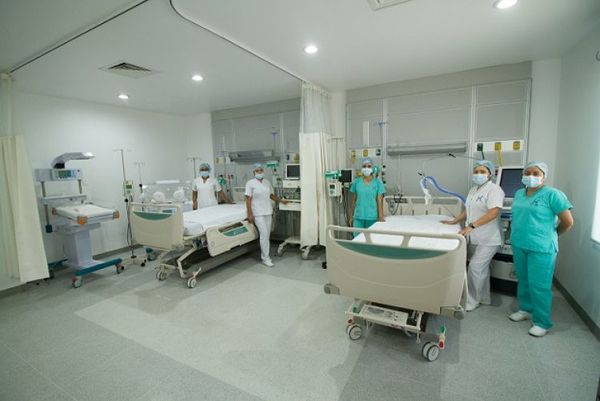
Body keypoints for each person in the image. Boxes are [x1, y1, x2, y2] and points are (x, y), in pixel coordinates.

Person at [507, 161, 573, 337]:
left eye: (536, 173)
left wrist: (552, 235)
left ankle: (542, 322)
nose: (531, 176)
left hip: (542, 247)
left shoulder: (553, 194)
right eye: (527, 173)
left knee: (539, 285)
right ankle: (525, 309)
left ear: (544, 176)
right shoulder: (519, 193)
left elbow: (568, 222)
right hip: (520, 244)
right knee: (523, 279)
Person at [442, 160, 505, 312]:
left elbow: (493, 212)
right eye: (476, 171)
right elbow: (468, 210)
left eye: (483, 172)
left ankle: (472, 300)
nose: (478, 174)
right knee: (482, 269)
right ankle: (484, 298)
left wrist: (471, 226)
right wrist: (454, 221)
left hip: (490, 238)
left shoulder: (495, 190)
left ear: (490, 174)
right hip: (476, 236)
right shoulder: (473, 190)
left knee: (475, 267)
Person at [245, 163, 288, 267]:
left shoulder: (267, 182)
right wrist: (250, 213)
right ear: (254, 172)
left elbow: (271, 195)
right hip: (257, 212)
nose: (260, 172)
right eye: (257, 171)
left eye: (261, 170)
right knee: (264, 234)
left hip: (268, 211)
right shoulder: (250, 183)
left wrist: (281, 200)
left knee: (267, 235)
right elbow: (248, 199)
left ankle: (266, 255)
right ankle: (265, 258)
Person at [348, 157, 386, 233]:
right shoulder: (356, 182)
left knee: (371, 239)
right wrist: (351, 216)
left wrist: (381, 218)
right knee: (358, 239)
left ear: (373, 168)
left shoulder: (378, 183)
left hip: (372, 218)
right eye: (364, 166)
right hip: (358, 218)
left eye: (369, 166)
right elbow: (354, 200)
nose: (366, 168)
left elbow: (379, 202)